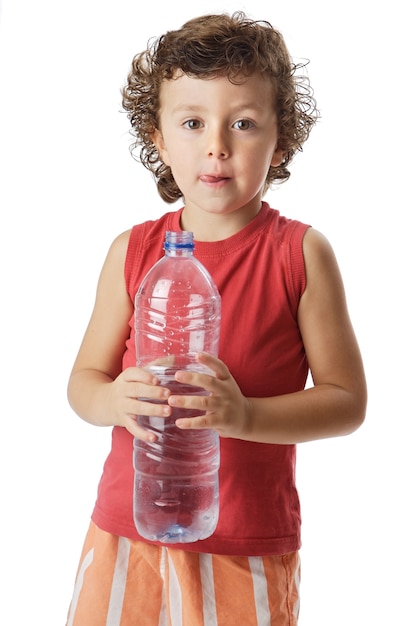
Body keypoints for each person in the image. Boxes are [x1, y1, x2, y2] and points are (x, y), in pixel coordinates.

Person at [65, 11, 367, 626]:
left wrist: (246, 416)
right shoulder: (133, 251)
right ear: (158, 137)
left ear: (281, 140)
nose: (217, 146)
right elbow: (83, 383)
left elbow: (346, 400)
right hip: (129, 530)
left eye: (245, 124)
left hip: (244, 544)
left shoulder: (300, 253)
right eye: (193, 122)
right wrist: (115, 401)